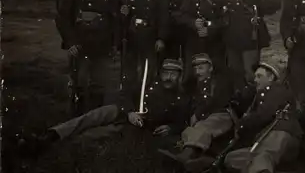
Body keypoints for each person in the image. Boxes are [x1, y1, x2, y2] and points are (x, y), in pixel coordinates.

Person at [18, 59, 191, 158]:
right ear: (160, 74)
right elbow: (124, 95)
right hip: (125, 113)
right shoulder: (148, 85)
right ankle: (51, 134)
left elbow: (182, 121)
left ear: (179, 76)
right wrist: (130, 111)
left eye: (173, 74)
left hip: (140, 127)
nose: (168, 77)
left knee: (99, 134)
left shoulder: (182, 97)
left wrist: (171, 128)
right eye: (165, 73)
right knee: (94, 116)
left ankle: (51, 146)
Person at [55, 0, 119, 114]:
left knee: (100, 82)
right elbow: (62, 16)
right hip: (80, 39)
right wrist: (70, 42)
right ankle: (77, 116)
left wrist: (114, 42)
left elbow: (114, 15)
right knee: (79, 80)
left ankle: (95, 117)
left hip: (102, 40)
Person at [158, 53, 233, 170]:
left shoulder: (219, 82)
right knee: (191, 130)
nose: (197, 72)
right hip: (205, 120)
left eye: (201, 68)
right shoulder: (194, 86)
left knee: (202, 128)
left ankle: (185, 156)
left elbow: (216, 101)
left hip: (221, 115)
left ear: (211, 68)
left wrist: (197, 114)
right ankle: (201, 160)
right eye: (195, 69)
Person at [116, 0, 170, 103]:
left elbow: (163, 15)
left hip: (150, 35)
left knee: (149, 70)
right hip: (131, 35)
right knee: (129, 71)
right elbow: (114, 13)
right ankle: (128, 103)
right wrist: (122, 14)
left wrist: (161, 38)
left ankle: (147, 102)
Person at [174, 0, 229, 87]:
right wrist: (194, 23)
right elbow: (182, 15)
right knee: (191, 76)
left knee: (217, 74)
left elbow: (228, 18)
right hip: (195, 41)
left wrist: (210, 28)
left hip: (217, 42)